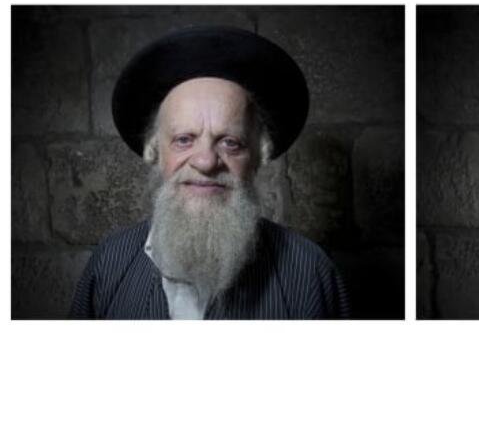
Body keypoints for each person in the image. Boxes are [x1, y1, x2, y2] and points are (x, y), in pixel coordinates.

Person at [71, 26, 349, 319]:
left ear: (257, 156)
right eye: (184, 140)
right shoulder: (110, 262)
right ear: (157, 153)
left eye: (230, 142)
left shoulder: (309, 271)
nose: (205, 162)